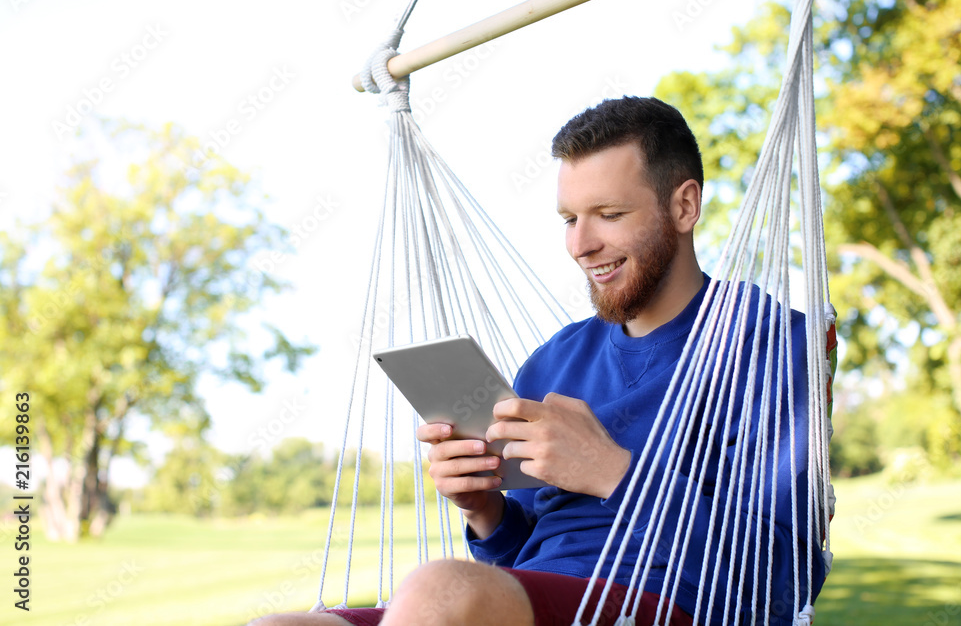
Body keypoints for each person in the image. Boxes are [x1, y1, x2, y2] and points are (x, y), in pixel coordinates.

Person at [251, 97, 826, 626]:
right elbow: (517, 556)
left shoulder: (768, 346)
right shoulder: (554, 362)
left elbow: (780, 577)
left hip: (666, 602)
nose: (581, 245)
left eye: (608, 213)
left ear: (684, 205)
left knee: (438, 591)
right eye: (570, 219)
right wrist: (483, 510)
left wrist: (612, 472)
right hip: (538, 598)